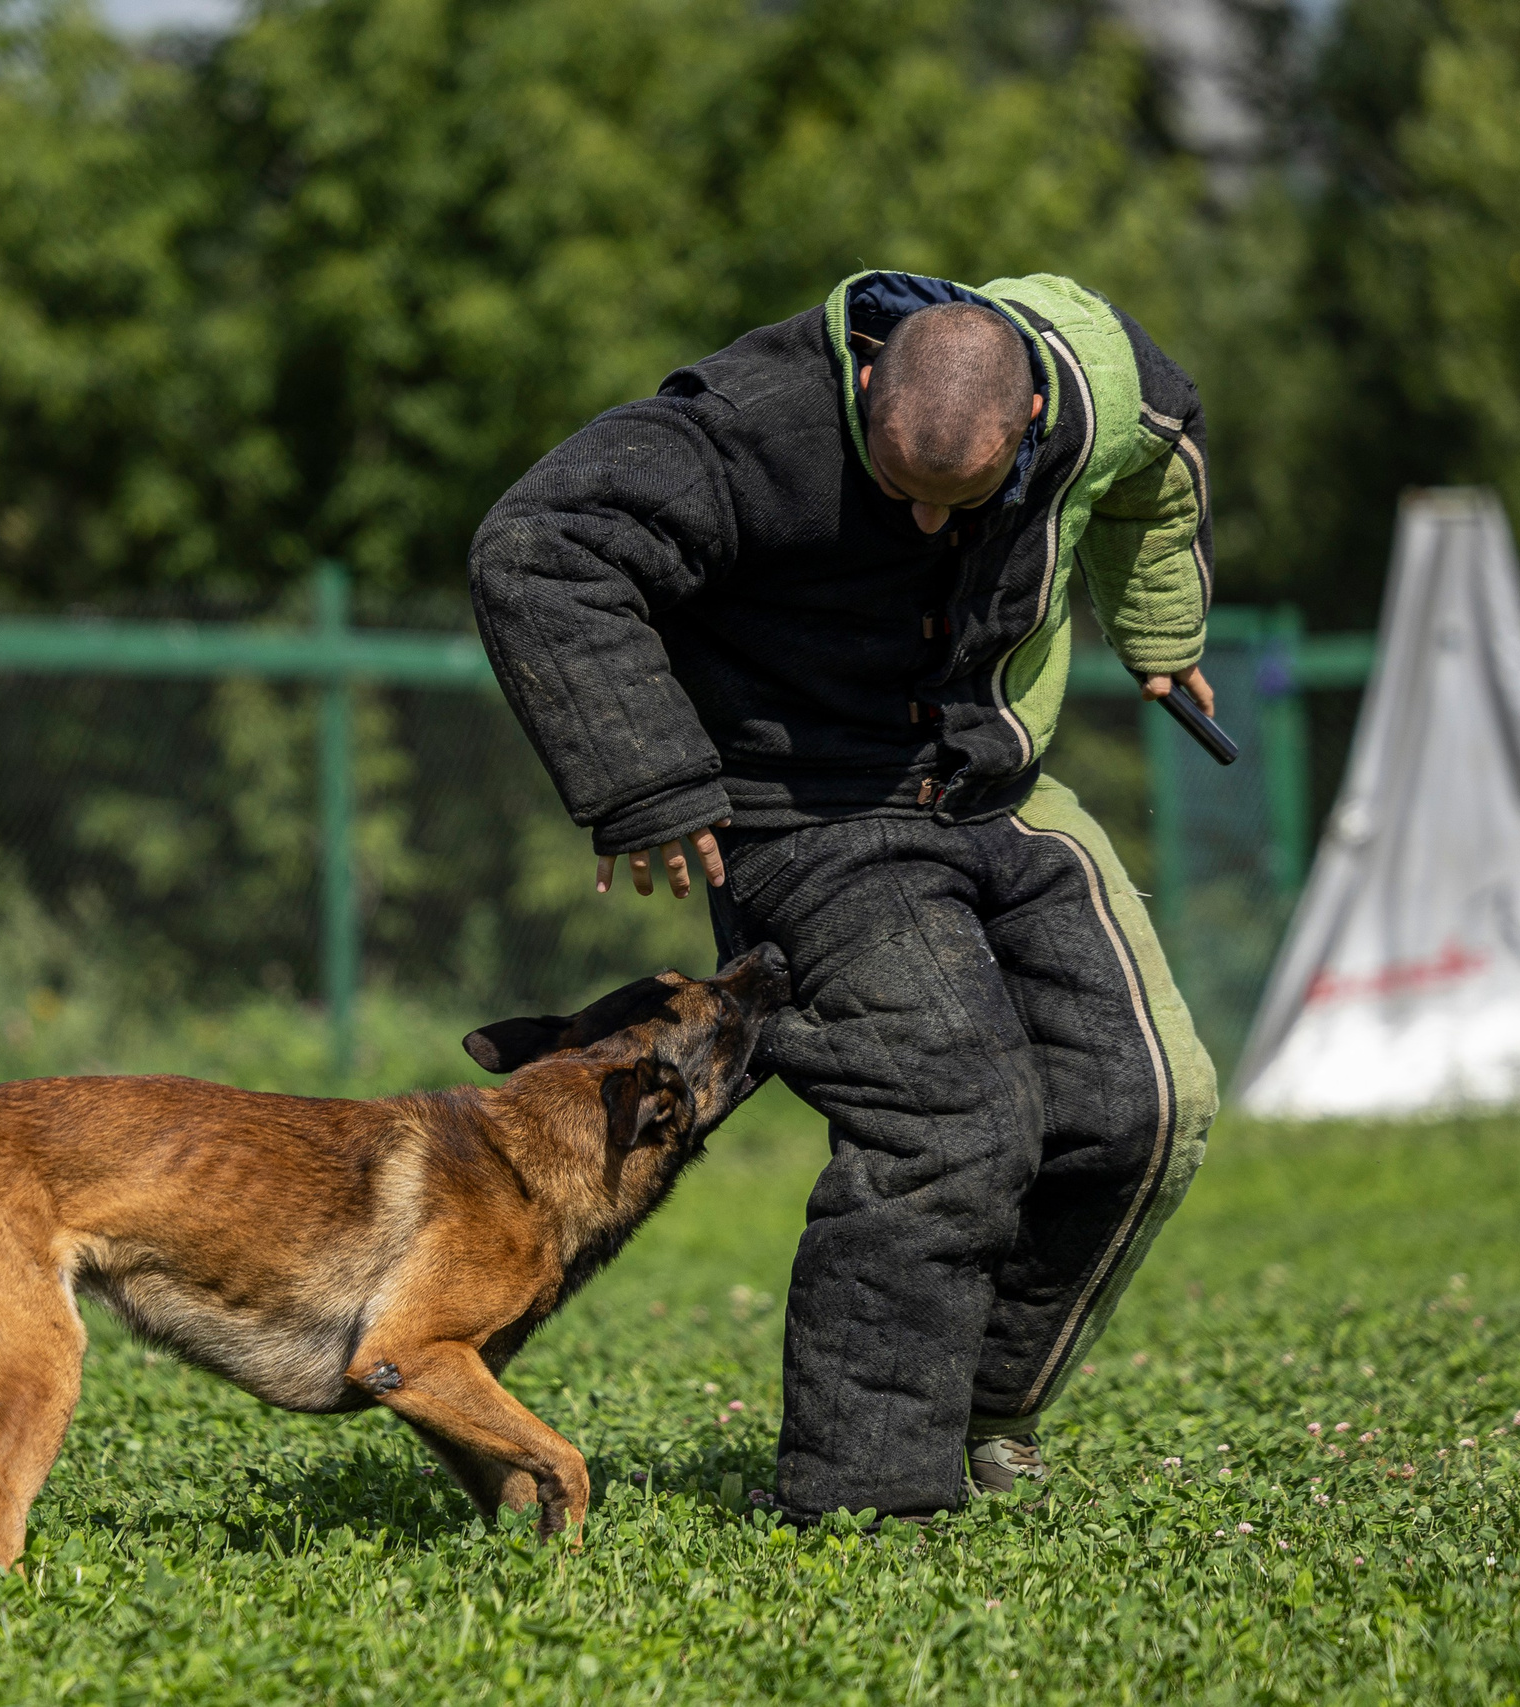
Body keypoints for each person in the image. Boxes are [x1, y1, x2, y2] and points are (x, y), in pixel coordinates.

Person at [468, 270, 1219, 1526]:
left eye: (959, 501)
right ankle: (866, 1499)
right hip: (801, 813)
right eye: (898, 492)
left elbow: (1165, 454)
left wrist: (1163, 630)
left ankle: (977, 1412)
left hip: (991, 783)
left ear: (1033, 418)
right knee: (951, 1116)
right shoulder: (743, 428)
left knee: (1143, 1103)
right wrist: (647, 779)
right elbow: (539, 546)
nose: (927, 527)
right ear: (867, 385)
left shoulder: (1099, 383)